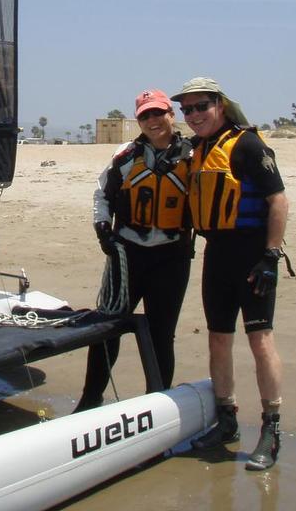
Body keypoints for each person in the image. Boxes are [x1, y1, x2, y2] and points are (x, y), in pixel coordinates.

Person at [173, 76, 291, 471]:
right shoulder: (198, 150)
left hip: (252, 257)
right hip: (217, 256)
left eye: (200, 106)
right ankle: (227, 422)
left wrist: (271, 257)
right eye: (186, 109)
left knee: (260, 341)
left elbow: (278, 201)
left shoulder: (248, 145)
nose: (193, 115)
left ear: (220, 105)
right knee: (218, 341)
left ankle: (271, 430)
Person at [73, 89, 194, 412]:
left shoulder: (194, 157)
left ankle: (157, 401)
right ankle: (90, 398)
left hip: (171, 258)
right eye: (145, 116)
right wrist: (103, 230)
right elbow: (102, 196)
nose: (153, 121)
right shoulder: (125, 156)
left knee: (160, 334)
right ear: (139, 121)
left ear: (172, 114)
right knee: (107, 327)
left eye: (158, 113)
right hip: (126, 254)